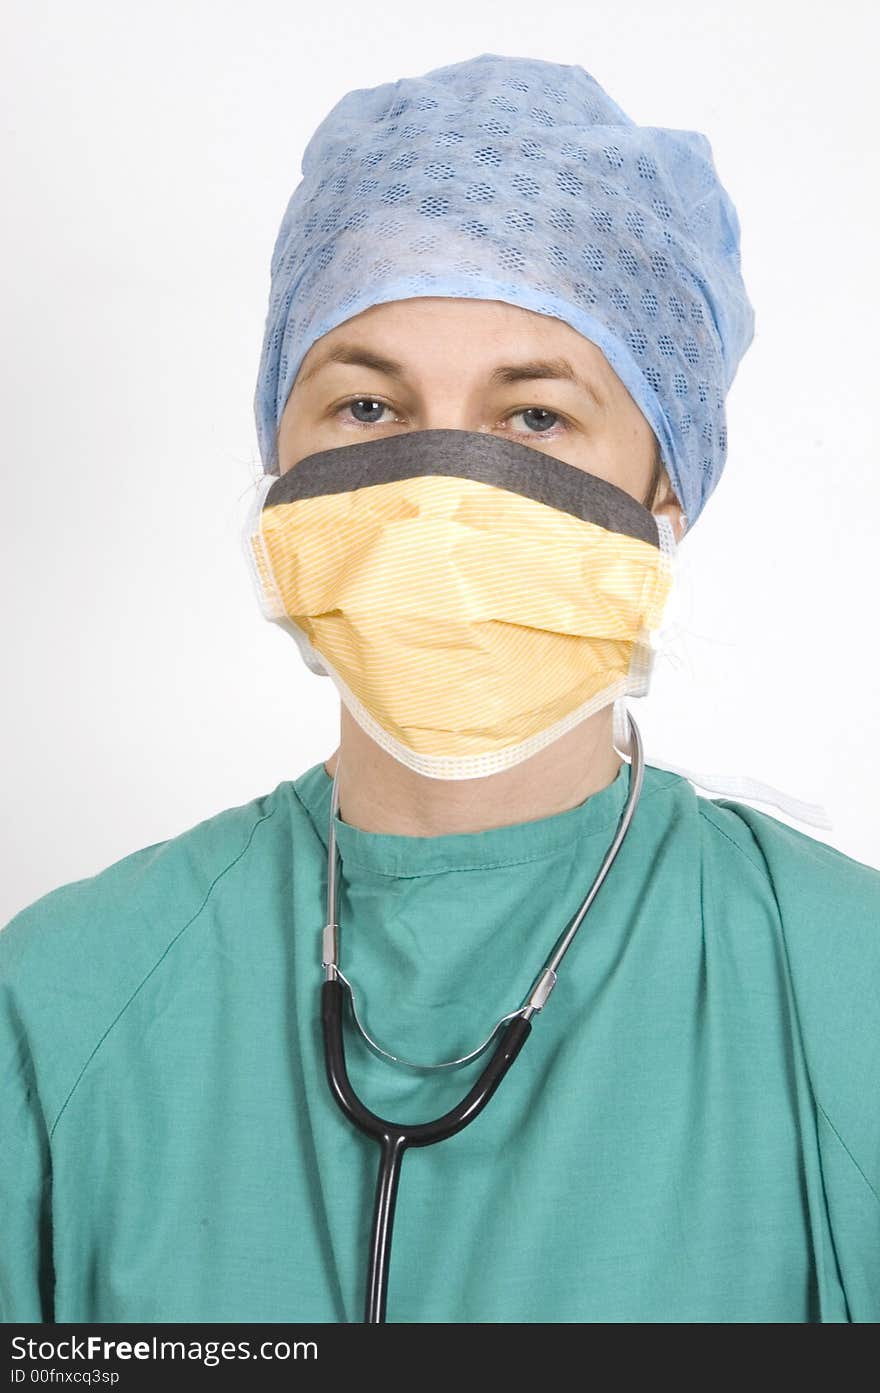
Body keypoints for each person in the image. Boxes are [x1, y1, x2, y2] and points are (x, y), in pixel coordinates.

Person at [2, 53, 879, 1327]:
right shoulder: (58, 1003)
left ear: (662, 494)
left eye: (534, 418)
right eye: (365, 404)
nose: (438, 488)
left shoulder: (845, 993)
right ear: (278, 468)